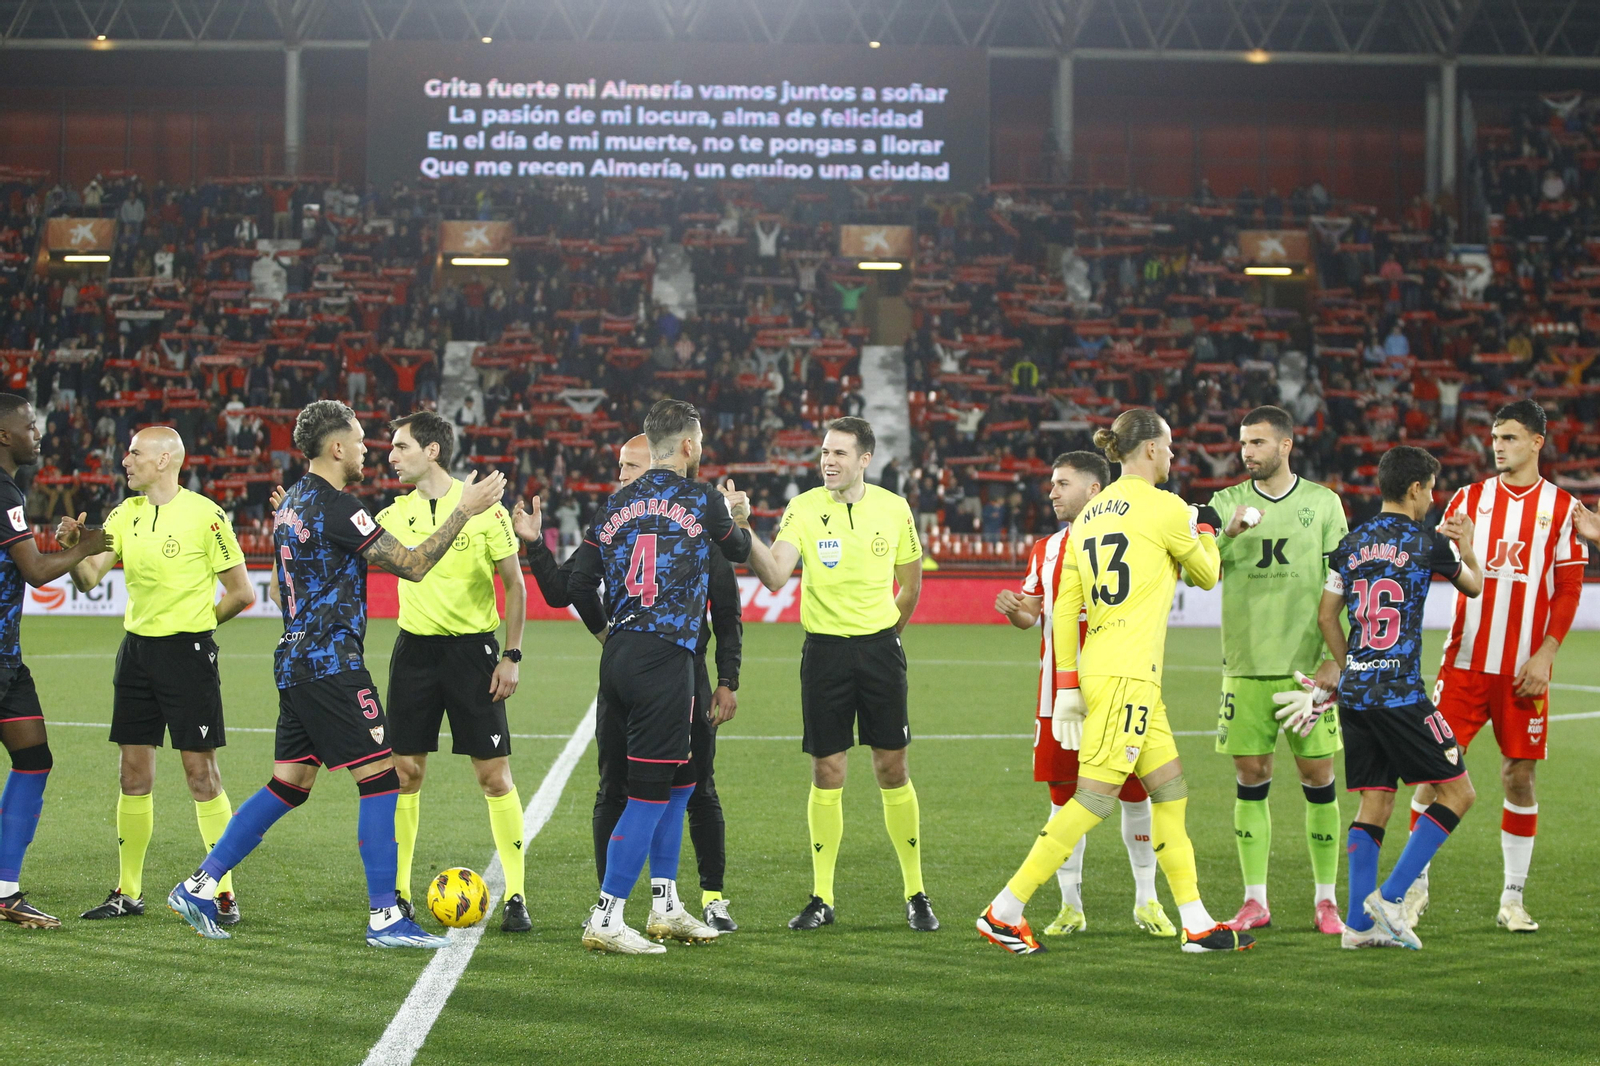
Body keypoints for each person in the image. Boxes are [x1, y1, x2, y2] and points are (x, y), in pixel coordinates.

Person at [166, 399, 506, 946]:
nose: (370, 450)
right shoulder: (338, 507)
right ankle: (385, 916)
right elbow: (413, 565)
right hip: (331, 664)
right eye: (362, 440)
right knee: (381, 779)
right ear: (338, 446)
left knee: (289, 784)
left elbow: (279, 591)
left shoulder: (291, 506)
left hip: (294, 660)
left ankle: (200, 885)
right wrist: (463, 510)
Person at [975, 408, 1250, 955]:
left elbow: (1065, 606)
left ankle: (1196, 922)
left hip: (1109, 670)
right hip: (1128, 675)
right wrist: (1206, 528)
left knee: (1169, 793)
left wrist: (1068, 688)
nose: (1173, 455)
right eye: (1169, 446)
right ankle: (1003, 911)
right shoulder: (1167, 506)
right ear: (1149, 449)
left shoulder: (1088, 518)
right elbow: (1207, 573)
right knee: (1093, 801)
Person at [515, 434, 745, 932]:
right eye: (619, 466)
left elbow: (727, 613)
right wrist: (536, 546)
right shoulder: (641, 517)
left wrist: (727, 678)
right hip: (655, 666)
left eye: (631, 466)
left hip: (674, 669)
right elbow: (570, 588)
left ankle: (681, 901)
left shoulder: (664, 519)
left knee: (689, 784)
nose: (621, 476)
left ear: (659, 467)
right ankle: (610, 908)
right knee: (627, 789)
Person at [739, 417, 935, 933]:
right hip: (824, 654)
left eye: (839, 453)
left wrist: (887, 635)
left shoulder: (894, 508)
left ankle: (916, 892)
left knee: (892, 768)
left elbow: (910, 585)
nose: (828, 461)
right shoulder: (803, 508)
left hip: (879, 652)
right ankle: (822, 897)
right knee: (827, 771)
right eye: (825, 452)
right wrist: (744, 529)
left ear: (864, 459)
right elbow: (775, 575)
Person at [58, 427, 255, 924]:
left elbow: (241, 593)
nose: (125, 460)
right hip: (137, 655)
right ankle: (128, 892)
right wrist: (74, 550)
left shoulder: (207, 515)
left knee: (201, 774)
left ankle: (222, 892)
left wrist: (196, 627)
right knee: (132, 774)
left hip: (188, 655)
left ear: (165, 459)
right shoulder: (124, 514)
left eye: (134, 453)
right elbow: (88, 578)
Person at [1409, 400, 1586, 933]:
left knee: (1519, 777)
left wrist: (1547, 653)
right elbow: (1447, 569)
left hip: (1524, 671)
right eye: (1494, 437)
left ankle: (1513, 898)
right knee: (1435, 773)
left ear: (1537, 442)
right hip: (1465, 664)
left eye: (1509, 437)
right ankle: (1415, 885)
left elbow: (1569, 588)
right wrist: (1457, 549)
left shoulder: (1563, 508)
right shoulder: (1468, 499)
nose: (1498, 446)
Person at [993, 451, 1172, 938]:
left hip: (1120, 686)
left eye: (1062, 483)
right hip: (1059, 694)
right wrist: (1014, 610)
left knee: (1135, 793)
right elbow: (1031, 613)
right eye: (1051, 483)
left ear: (1094, 489)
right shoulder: (1045, 549)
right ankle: (1070, 906)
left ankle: (1147, 901)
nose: (1052, 492)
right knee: (1063, 796)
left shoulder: (1134, 537)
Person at [1313, 446, 1482, 950]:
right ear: (1414, 489)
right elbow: (1474, 586)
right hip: (1401, 693)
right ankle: (1389, 900)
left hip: (1357, 694)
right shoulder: (1429, 542)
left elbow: (1326, 616)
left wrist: (1350, 668)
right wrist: (1467, 545)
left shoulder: (1349, 544)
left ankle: (1358, 927)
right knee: (1459, 794)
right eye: (1430, 489)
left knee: (1376, 800)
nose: (1432, 499)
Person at [374, 412, 530, 934]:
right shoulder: (394, 513)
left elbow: (515, 584)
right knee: (404, 774)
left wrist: (511, 655)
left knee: (494, 776)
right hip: (414, 655)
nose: (392, 456)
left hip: (473, 656)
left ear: (433, 450)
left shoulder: (487, 507)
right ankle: (398, 892)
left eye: (401, 446)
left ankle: (515, 894)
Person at [1209, 405, 1349, 935]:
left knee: (1318, 776)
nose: (1247, 452)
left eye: (1258, 443)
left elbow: (1346, 582)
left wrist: (1336, 659)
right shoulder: (1224, 504)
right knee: (1251, 776)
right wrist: (1228, 535)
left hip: (1307, 671)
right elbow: (1200, 571)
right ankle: (1254, 901)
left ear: (1286, 445)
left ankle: (1326, 901)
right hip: (1245, 664)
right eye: (1244, 443)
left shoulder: (1323, 503)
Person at [0, 394, 110, 928]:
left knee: (34, 757)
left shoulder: (11, 490)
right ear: (4, 435)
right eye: (29, 426)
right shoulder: (3, 492)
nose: (37, 434)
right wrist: (89, 547)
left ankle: (4, 890)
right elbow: (36, 572)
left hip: (8, 661)